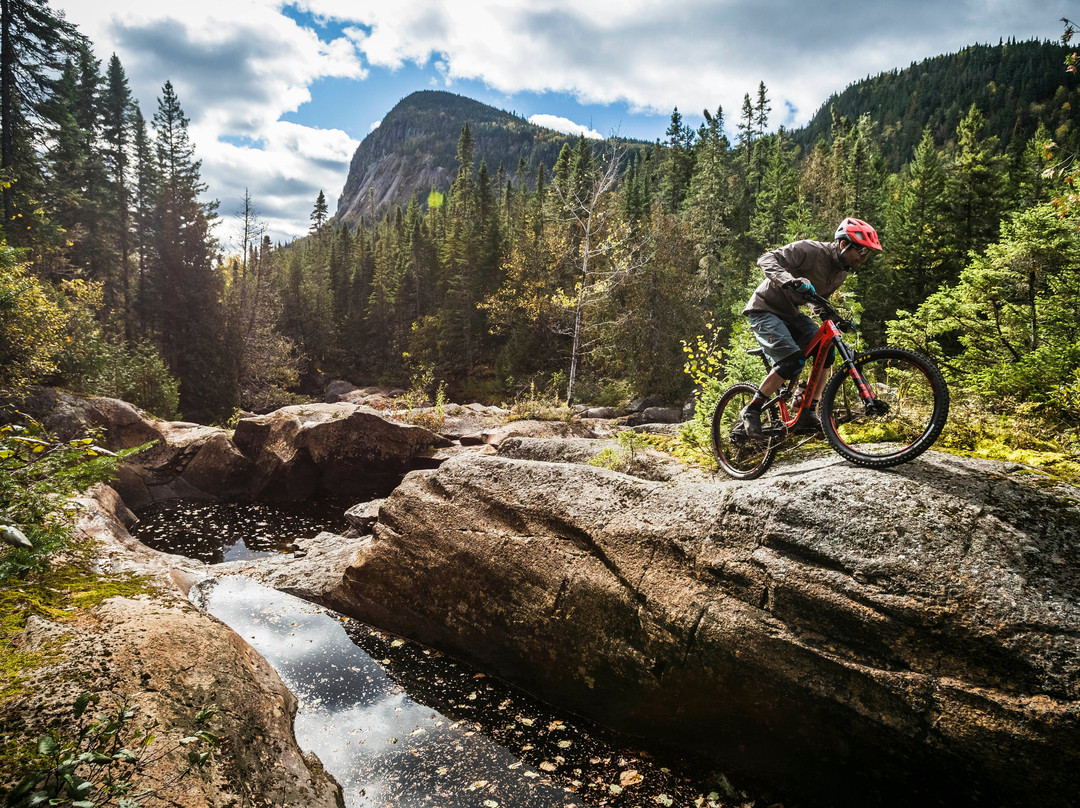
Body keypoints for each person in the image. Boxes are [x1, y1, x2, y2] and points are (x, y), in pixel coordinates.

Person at [739, 217, 882, 437]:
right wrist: (789, 279)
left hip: (791, 313)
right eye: (861, 251)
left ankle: (808, 412)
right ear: (844, 244)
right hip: (764, 309)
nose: (864, 258)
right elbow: (766, 259)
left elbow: (818, 303)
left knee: (827, 351)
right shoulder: (810, 250)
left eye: (867, 253)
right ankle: (752, 409)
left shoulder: (840, 274)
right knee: (792, 361)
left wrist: (836, 319)